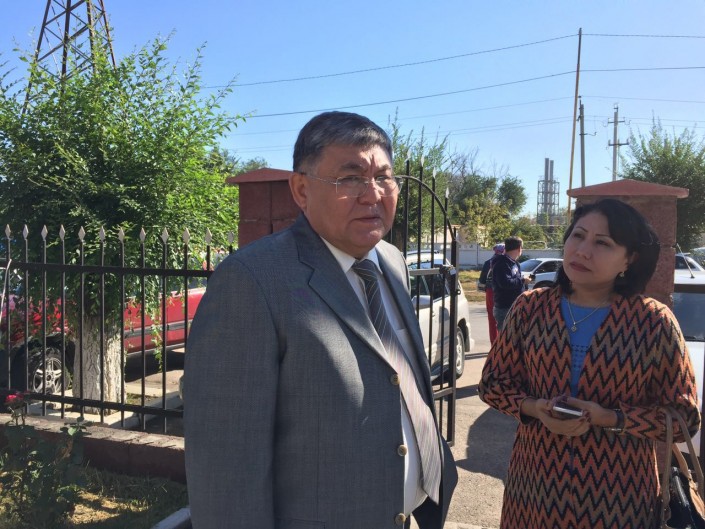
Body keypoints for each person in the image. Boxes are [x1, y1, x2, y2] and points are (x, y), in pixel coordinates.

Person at [184, 111, 457, 529]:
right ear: (301, 189)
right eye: (350, 178)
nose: (372, 194)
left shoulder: (392, 261)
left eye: (384, 177)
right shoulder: (252, 281)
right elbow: (227, 467)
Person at [478, 198, 700, 529]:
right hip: (534, 490)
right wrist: (535, 408)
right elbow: (493, 384)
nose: (583, 251)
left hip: (620, 500)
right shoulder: (531, 308)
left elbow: (684, 418)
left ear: (629, 258)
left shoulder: (652, 321)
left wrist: (612, 418)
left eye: (603, 243)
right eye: (578, 236)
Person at [491, 236, 529, 331]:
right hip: (505, 308)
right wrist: (522, 280)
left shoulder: (515, 264)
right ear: (519, 248)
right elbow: (505, 283)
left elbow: (516, 282)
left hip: (516, 305)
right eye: (522, 248)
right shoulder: (501, 263)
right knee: (506, 338)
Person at [477, 243, 504, 343]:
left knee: (492, 318)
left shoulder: (488, 262)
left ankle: (494, 342)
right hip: (504, 292)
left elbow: (482, 280)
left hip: (490, 292)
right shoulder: (507, 262)